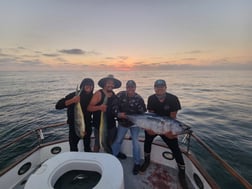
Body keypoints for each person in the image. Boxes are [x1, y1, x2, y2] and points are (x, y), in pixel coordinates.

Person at [140, 79, 185, 176]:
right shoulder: (151, 98)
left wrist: (170, 132)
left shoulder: (173, 99)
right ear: (154, 88)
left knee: (175, 148)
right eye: (157, 87)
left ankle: (182, 170)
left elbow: (173, 117)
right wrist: (148, 128)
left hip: (167, 127)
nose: (159, 88)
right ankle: (146, 161)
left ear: (165, 87)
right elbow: (150, 116)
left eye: (162, 86)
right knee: (147, 141)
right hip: (154, 125)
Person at [112, 80, 146, 175]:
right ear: (126, 87)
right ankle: (113, 157)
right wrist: (118, 114)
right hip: (123, 123)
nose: (130, 89)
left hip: (135, 124)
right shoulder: (120, 95)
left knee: (136, 142)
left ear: (135, 88)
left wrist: (143, 124)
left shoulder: (139, 98)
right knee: (118, 140)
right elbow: (113, 107)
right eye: (128, 87)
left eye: (132, 87)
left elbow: (143, 113)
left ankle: (137, 163)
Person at [87, 74, 124, 156]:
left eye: (112, 83)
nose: (111, 85)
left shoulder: (113, 94)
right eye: (109, 83)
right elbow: (89, 108)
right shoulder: (98, 94)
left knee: (110, 143)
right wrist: (99, 107)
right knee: (98, 144)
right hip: (99, 126)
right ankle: (95, 158)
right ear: (104, 84)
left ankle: (110, 157)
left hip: (111, 125)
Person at [55, 78, 94, 152]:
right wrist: (72, 100)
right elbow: (58, 106)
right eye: (86, 84)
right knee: (73, 148)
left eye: (91, 85)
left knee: (87, 147)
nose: (89, 86)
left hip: (87, 126)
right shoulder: (73, 95)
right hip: (74, 126)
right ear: (82, 86)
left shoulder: (93, 97)